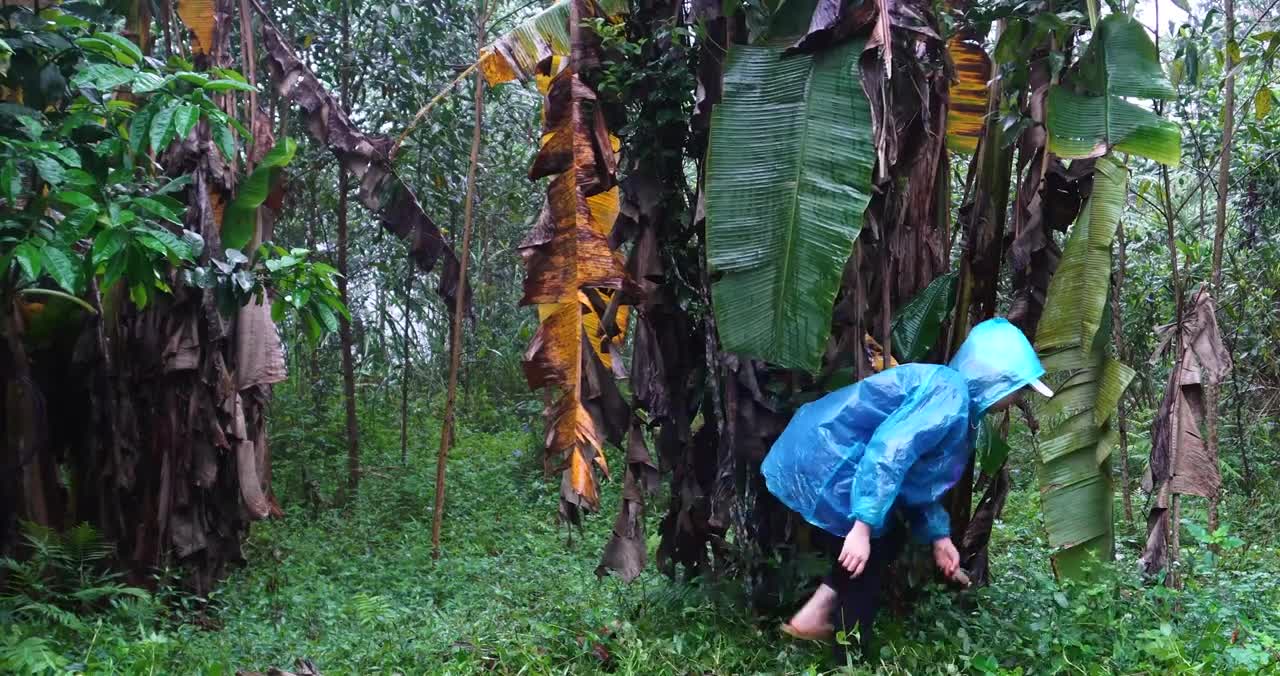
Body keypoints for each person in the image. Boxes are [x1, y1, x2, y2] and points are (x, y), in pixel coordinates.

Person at [762, 318, 1054, 658]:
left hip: (839, 462)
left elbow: (918, 481)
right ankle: (849, 656)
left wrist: (939, 538)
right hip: (829, 459)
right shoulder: (949, 394)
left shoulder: (959, 406)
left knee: (882, 543)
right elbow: (889, 452)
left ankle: (816, 616)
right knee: (867, 559)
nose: (1016, 399)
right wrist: (861, 526)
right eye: (1017, 389)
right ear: (995, 379)